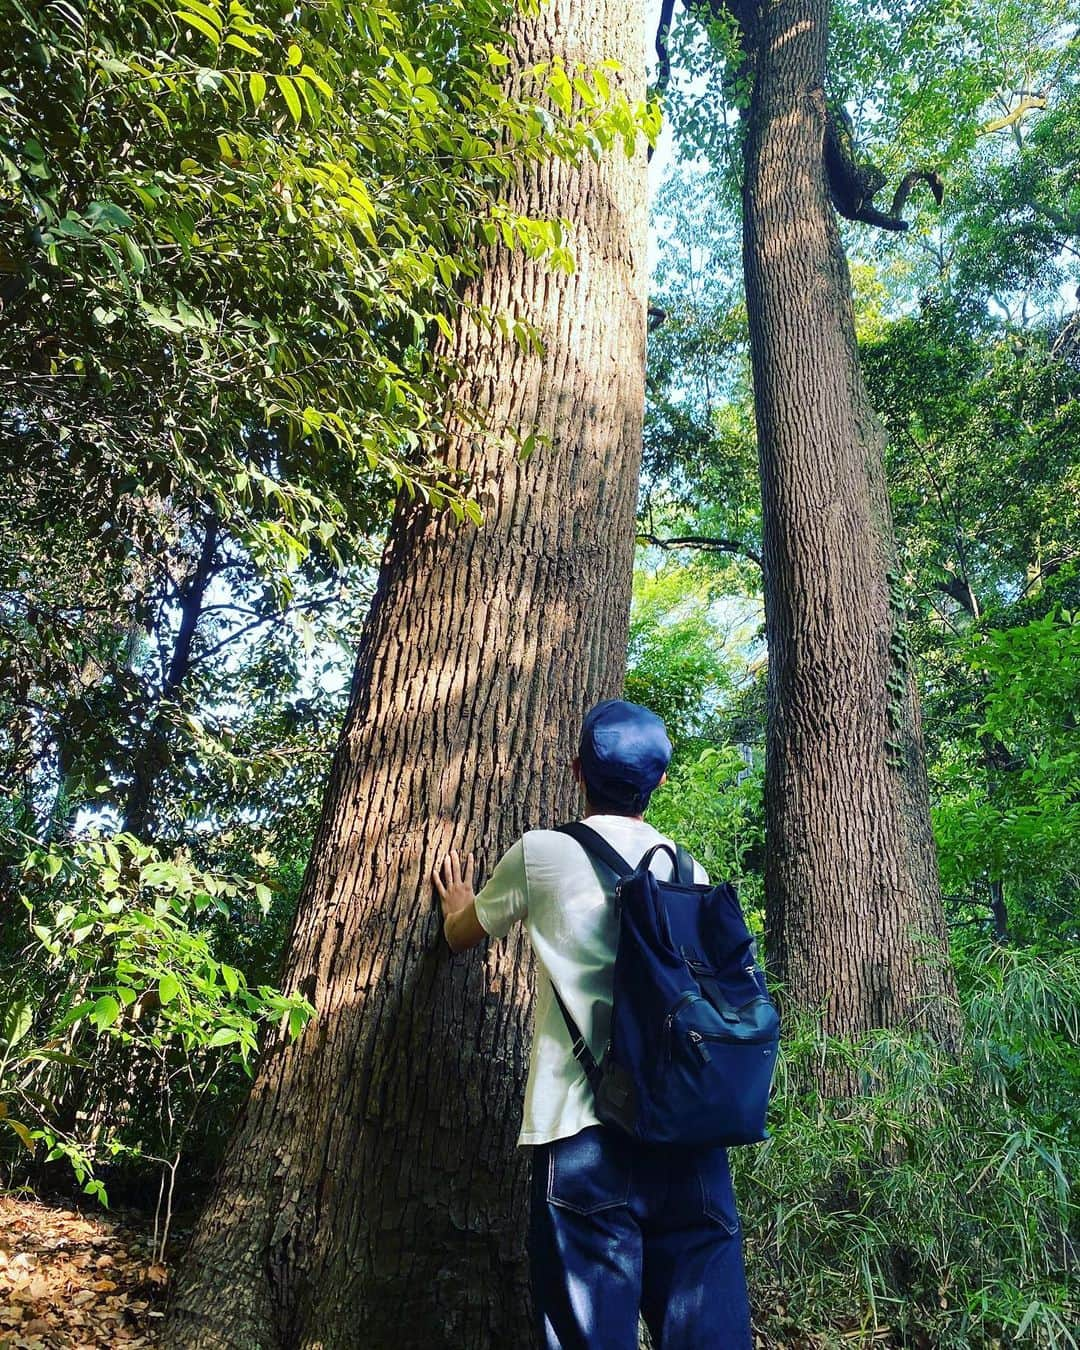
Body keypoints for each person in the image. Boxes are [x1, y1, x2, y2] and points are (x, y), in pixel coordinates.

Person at [433, 699, 753, 1350]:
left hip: (584, 1138)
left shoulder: (544, 855)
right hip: (689, 1141)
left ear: (578, 770)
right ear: (660, 781)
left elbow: (461, 936)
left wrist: (459, 904)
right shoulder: (687, 870)